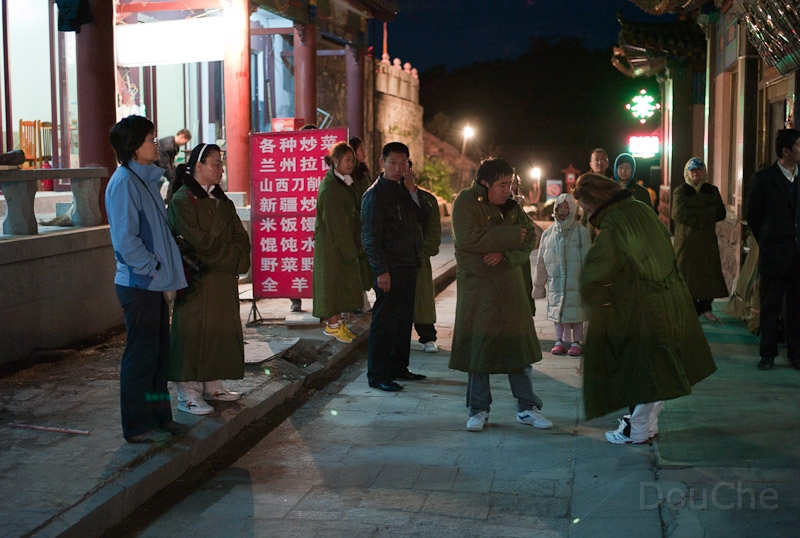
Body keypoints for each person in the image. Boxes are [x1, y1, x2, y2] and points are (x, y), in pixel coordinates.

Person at [573, 173, 716, 444]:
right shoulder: (640, 208)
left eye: (585, 207)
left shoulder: (615, 223)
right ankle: (648, 426)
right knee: (660, 368)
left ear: (594, 202)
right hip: (670, 297)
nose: (586, 213)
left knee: (641, 371)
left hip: (641, 307)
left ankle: (636, 430)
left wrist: (598, 303)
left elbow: (595, 274)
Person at [449, 157, 552, 432]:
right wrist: (511, 236)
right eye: (502, 184)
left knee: (517, 350)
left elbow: (530, 237)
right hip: (479, 289)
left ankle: (527, 407)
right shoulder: (466, 201)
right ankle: (478, 409)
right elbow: (469, 238)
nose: (508, 190)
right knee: (479, 351)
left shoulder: (513, 207)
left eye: (510, 184)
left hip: (510, 287)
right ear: (485, 183)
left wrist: (505, 255)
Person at [106, 115, 188, 443]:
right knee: (141, 358)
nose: (156, 144)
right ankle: (138, 425)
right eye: (150, 139)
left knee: (158, 357)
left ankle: (160, 417)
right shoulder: (124, 183)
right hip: (139, 284)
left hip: (152, 283)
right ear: (133, 147)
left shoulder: (145, 180)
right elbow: (126, 240)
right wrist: (153, 269)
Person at [167, 143, 251, 415]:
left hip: (222, 280)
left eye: (221, 163)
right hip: (197, 280)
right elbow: (199, 243)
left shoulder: (222, 200)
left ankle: (213, 386)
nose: (221, 169)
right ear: (199, 166)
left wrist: (238, 257)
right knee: (192, 334)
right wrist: (232, 258)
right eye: (216, 163)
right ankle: (187, 394)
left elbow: (241, 236)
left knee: (219, 332)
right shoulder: (182, 200)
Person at [361, 142, 430, 392]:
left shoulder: (403, 190)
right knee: (384, 323)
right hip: (389, 269)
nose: (398, 168)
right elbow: (370, 237)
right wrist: (381, 270)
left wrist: (412, 190)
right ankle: (378, 375)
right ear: (382, 163)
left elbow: (424, 218)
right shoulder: (374, 195)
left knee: (403, 321)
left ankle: (399, 368)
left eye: (403, 163)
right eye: (393, 163)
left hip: (408, 264)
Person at [746, 128, 800, 371]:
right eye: (798, 146)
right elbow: (753, 217)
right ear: (786, 151)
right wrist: (767, 241)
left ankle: (796, 354)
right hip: (774, 253)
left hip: (798, 254)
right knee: (771, 305)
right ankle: (767, 353)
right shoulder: (764, 179)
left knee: (797, 306)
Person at [311, 142, 363, 343]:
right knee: (332, 286)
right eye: (347, 160)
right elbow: (336, 224)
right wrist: (350, 250)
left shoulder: (342, 182)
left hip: (340, 244)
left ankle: (339, 323)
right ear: (335, 161)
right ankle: (332, 326)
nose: (351, 164)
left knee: (340, 286)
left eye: (353, 160)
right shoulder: (331, 187)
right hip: (333, 246)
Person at [533, 193, 591, 357]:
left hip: (576, 282)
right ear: (555, 209)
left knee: (576, 315)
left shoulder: (580, 232)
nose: (563, 211)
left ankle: (576, 342)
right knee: (558, 314)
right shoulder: (548, 234)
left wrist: (589, 282)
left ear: (573, 210)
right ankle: (559, 341)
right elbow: (541, 263)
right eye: (560, 207)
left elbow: (587, 258)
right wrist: (538, 286)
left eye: (567, 207)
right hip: (556, 283)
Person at [672, 157, 728, 322]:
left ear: (704, 172)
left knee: (707, 274)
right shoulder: (681, 191)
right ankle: (689, 308)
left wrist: (696, 213)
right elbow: (679, 214)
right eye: (693, 170)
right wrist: (707, 213)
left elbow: (720, 212)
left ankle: (705, 308)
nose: (696, 173)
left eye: (699, 170)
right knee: (686, 275)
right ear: (687, 172)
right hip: (686, 242)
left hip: (707, 241)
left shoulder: (712, 190)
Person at [409, 159, 442, 353]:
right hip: (396, 258)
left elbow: (434, 229)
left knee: (422, 299)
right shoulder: (386, 196)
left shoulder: (426, 199)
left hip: (420, 256)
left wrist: (426, 249)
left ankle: (427, 336)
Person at [289, 124, 320, 313]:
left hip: (317, 221)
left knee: (318, 262)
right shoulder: (291, 162)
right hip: (296, 222)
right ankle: (295, 298)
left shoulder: (324, 163)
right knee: (296, 260)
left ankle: (321, 300)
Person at [349, 136, 374, 314]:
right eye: (360, 149)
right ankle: (359, 302)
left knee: (364, 265)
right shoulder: (348, 177)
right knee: (356, 265)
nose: (364, 152)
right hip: (356, 224)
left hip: (365, 221)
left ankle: (362, 301)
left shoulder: (363, 172)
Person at [158, 128, 191, 202]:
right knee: (173, 177)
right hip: (159, 164)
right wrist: (171, 173)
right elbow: (164, 163)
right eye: (185, 142)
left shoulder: (173, 145)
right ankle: (170, 198)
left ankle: (171, 197)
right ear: (182, 137)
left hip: (164, 164)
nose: (184, 144)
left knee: (176, 174)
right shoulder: (168, 145)